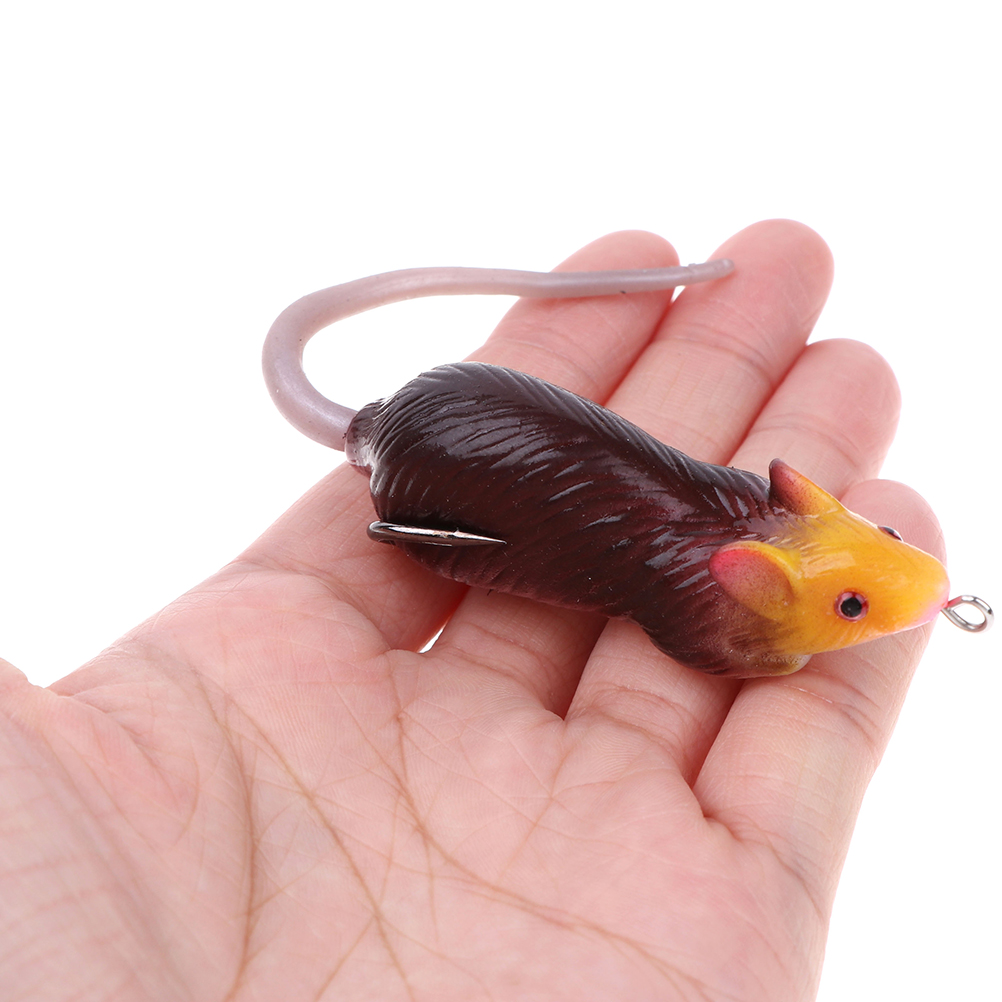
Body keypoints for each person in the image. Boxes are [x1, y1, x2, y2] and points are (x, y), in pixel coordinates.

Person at [0, 220, 940, 1001]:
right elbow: (694, 634)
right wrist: (778, 656)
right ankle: (415, 531)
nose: (882, 609)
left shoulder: (749, 527)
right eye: (854, 606)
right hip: (433, 458)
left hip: (457, 410)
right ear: (754, 578)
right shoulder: (710, 592)